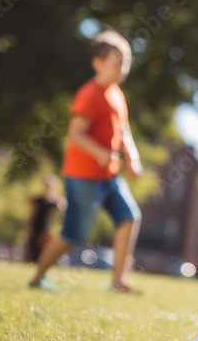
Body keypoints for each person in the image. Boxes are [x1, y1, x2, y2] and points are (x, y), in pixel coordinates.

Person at [28, 30, 143, 294]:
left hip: (109, 177)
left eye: (125, 62)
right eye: (116, 62)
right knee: (74, 236)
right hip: (83, 177)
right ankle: (37, 278)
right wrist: (100, 153)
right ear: (97, 63)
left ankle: (117, 282)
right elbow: (75, 135)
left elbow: (123, 129)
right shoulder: (89, 94)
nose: (122, 68)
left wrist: (132, 156)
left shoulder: (117, 95)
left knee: (129, 217)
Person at [25, 174, 66, 263]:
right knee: (34, 250)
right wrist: (28, 228)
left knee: (45, 251)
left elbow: (63, 207)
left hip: (48, 231)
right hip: (36, 229)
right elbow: (31, 216)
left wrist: (56, 197)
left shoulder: (54, 202)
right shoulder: (38, 201)